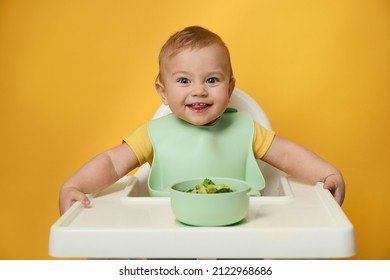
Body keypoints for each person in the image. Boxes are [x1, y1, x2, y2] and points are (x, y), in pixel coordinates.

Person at [59, 26, 345, 215]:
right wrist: (75, 185)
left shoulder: (246, 130)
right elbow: (111, 163)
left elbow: (286, 153)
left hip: (241, 236)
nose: (199, 90)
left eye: (211, 79)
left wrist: (326, 174)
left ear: (229, 88)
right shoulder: (153, 134)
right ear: (163, 91)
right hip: (169, 239)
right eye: (183, 80)